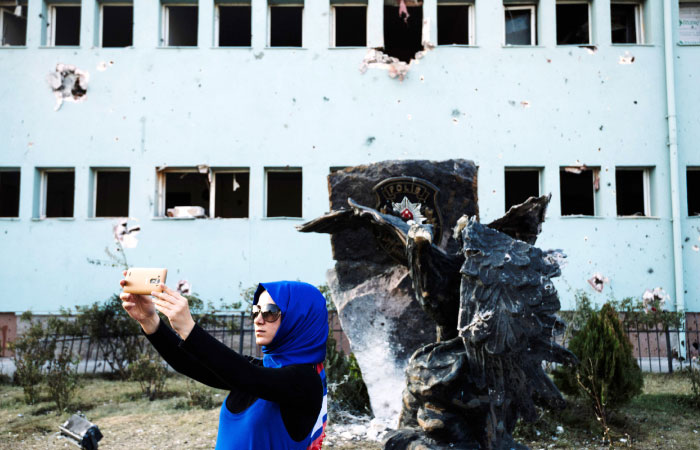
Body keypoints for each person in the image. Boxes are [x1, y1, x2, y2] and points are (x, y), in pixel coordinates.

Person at [119, 273, 328, 450]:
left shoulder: (305, 381)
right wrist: (149, 320)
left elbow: (245, 375)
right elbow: (191, 363)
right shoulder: (259, 368)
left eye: (270, 312)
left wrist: (188, 328)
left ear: (301, 318)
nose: (258, 319)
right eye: (256, 311)